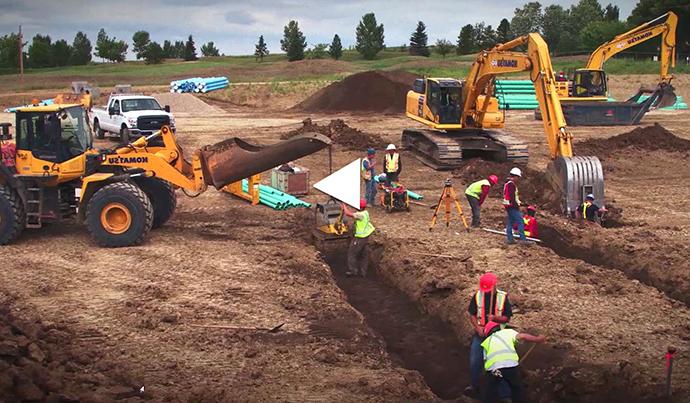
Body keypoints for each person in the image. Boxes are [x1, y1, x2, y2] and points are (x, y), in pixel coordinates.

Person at [465, 272, 513, 398]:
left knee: (499, 364)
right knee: (475, 361)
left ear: (494, 285)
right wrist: (478, 327)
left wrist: (495, 318)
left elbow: (507, 318)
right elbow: (472, 314)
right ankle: (474, 386)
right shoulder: (478, 296)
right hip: (481, 334)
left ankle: (505, 395)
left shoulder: (502, 297)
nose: (486, 291)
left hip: (497, 336)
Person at [481, 321, 546, 403]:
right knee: (516, 388)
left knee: (490, 392)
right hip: (510, 365)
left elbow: (485, 360)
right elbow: (522, 336)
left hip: (493, 369)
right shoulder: (507, 332)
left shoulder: (486, 342)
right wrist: (537, 339)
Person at [342, 199, 375, 278]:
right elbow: (353, 213)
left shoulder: (360, 215)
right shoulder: (366, 213)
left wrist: (343, 205)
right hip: (366, 236)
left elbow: (347, 213)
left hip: (360, 238)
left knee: (352, 253)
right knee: (364, 254)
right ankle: (363, 272)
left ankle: (353, 271)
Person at [503, 167, 526, 244]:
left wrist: (520, 203)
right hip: (512, 206)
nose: (518, 179)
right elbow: (512, 197)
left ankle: (510, 239)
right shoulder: (511, 185)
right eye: (518, 177)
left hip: (509, 205)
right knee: (520, 221)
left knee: (510, 222)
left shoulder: (508, 183)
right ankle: (522, 239)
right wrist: (516, 206)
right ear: (515, 176)